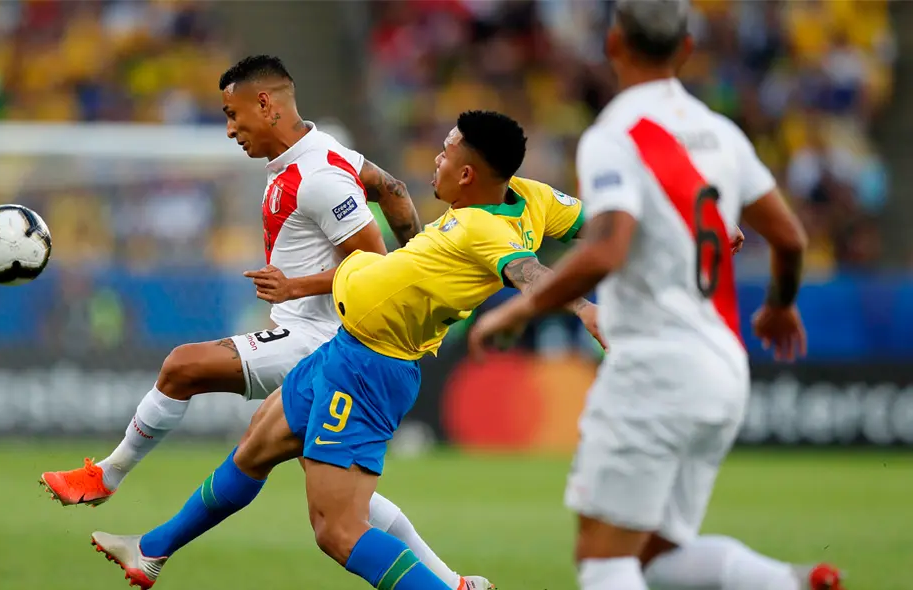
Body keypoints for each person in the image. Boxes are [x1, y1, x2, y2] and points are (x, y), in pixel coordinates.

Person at [87, 110, 599, 590]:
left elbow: (528, 273)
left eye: (445, 152)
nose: (436, 160)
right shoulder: (531, 198)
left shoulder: (482, 230)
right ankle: (152, 550)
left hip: (371, 367)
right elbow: (598, 226)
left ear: (467, 174)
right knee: (255, 449)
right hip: (345, 347)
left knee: (339, 531)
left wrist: (585, 309)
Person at [39, 55, 490, 590]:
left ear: (266, 104)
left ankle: (106, 477)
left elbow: (372, 262)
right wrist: (420, 262)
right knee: (303, 478)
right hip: (320, 342)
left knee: (184, 367)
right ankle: (151, 551)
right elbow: (391, 187)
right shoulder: (324, 156)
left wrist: (309, 285)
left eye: (234, 116)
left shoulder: (319, 177)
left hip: (322, 341)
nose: (231, 130)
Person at [468, 2, 845, 590]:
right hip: (723, 369)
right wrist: (778, 304)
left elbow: (606, 248)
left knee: (603, 558)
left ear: (613, 44)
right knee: (653, 557)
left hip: (655, 369)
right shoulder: (723, 134)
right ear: (687, 50)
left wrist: (518, 309)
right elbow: (790, 238)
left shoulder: (613, 136)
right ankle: (790, 583)